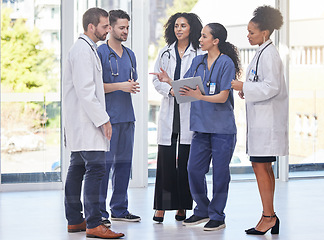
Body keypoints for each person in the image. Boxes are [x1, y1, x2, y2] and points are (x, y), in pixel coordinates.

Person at [153, 22, 242, 231]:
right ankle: (202, 210)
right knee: (193, 170)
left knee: (220, 174)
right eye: (201, 36)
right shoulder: (199, 61)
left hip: (222, 130)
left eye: (204, 37)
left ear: (215, 41)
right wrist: (168, 81)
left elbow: (222, 97)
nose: (200, 39)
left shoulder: (226, 63)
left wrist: (200, 96)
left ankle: (217, 215)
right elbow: (185, 86)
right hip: (200, 128)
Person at [63, 7, 124, 239]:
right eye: (105, 26)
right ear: (91, 27)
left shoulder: (87, 49)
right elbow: (86, 91)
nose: (108, 29)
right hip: (86, 122)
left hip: (82, 122)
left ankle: (75, 220)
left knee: (77, 168)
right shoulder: (82, 51)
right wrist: (103, 119)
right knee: (96, 169)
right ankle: (95, 224)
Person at [231, 5, 288, 235]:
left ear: (264, 33)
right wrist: (249, 89)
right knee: (263, 166)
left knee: (260, 166)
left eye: (251, 32)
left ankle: (268, 216)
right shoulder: (262, 51)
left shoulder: (269, 54)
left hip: (267, 122)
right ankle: (270, 215)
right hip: (262, 119)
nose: (248, 35)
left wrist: (244, 86)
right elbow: (262, 83)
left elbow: (271, 86)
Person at [150, 12, 203, 223]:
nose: (179, 29)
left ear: (192, 28)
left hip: (190, 113)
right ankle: (161, 207)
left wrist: (174, 86)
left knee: (186, 164)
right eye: (176, 25)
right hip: (170, 111)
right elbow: (156, 80)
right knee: (166, 163)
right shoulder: (165, 52)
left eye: (183, 25)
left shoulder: (199, 52)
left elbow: (198, 83)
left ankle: (182, 206)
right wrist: (171, 90)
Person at [97, 9, 141, 227]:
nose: (125, 32)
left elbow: (131, 81)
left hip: (127, 118)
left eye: (127, 28)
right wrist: (121, 86)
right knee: (104, 168)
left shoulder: (130, 54)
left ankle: (120, 209)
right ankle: (100, 213)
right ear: (110, 28)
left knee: (124, 165)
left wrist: (129, 87)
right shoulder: (100, 53)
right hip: (108, 118)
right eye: (121, 28)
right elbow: (95, 87)